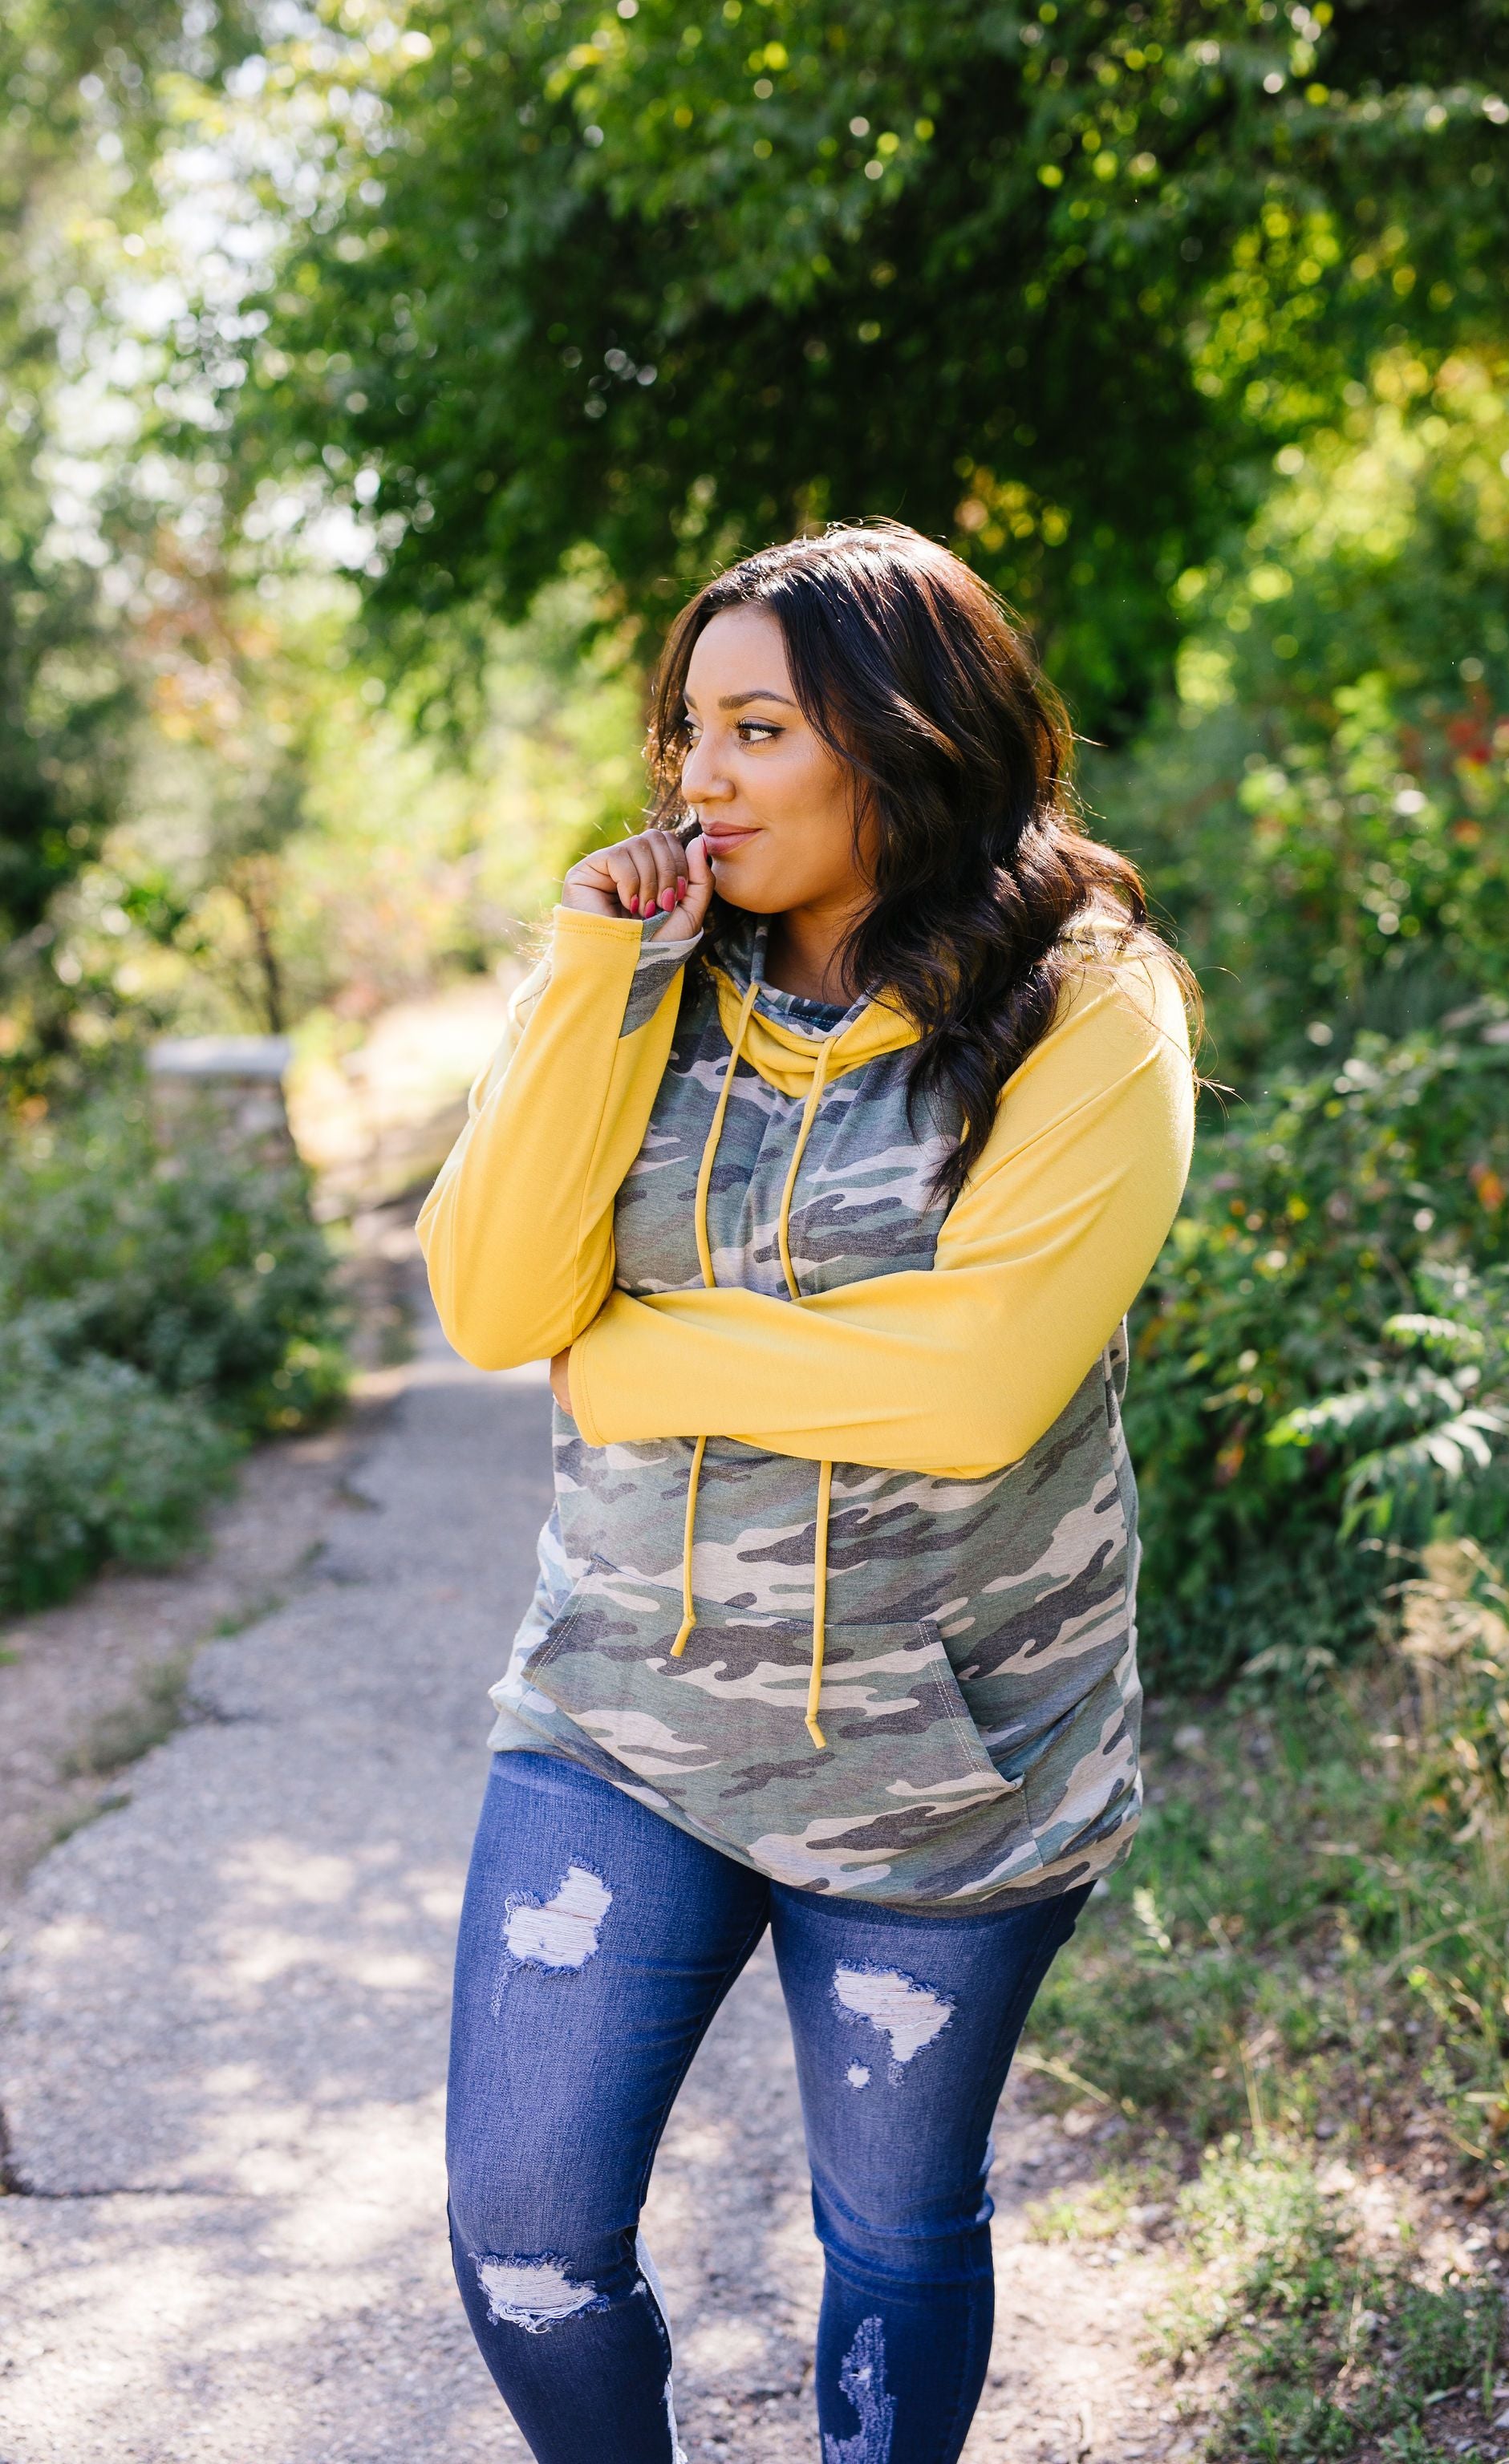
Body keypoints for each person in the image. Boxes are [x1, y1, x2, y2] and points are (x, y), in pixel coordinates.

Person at [418, 521, 1197, 2464]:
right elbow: (496, 1297)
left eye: (757, 729)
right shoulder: (650, 969)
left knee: (893, 2230)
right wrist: (598, 970)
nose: (697, 775)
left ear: (905, 736)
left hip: (950, 1757)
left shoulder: (1083, 1006)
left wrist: (647, 1357)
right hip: (625, 1713)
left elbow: (975, 1384)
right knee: (522, 2233)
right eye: (689, 729)